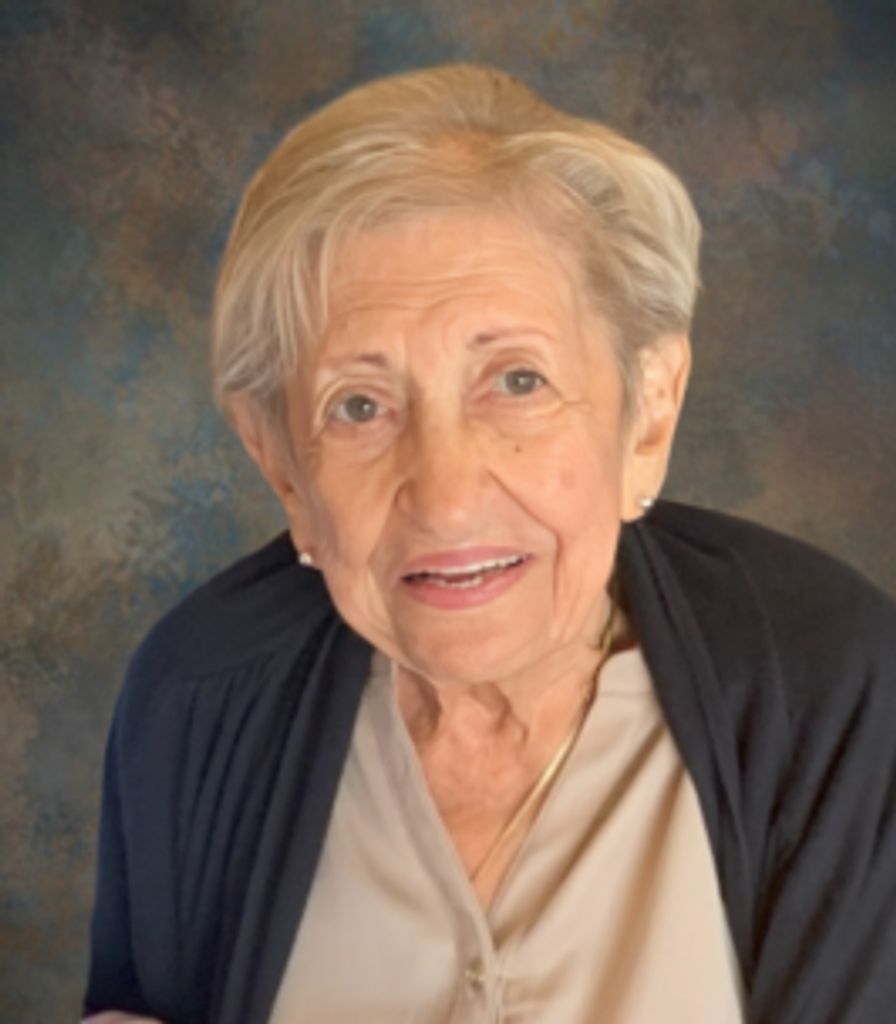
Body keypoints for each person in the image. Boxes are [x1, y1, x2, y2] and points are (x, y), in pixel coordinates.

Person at [83, 64, 896, 1024]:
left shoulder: (832, 684)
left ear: (648, 414)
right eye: (360, 406)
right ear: (282, 465)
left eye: (517, 381)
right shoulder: (197, 697)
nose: (446, 499)